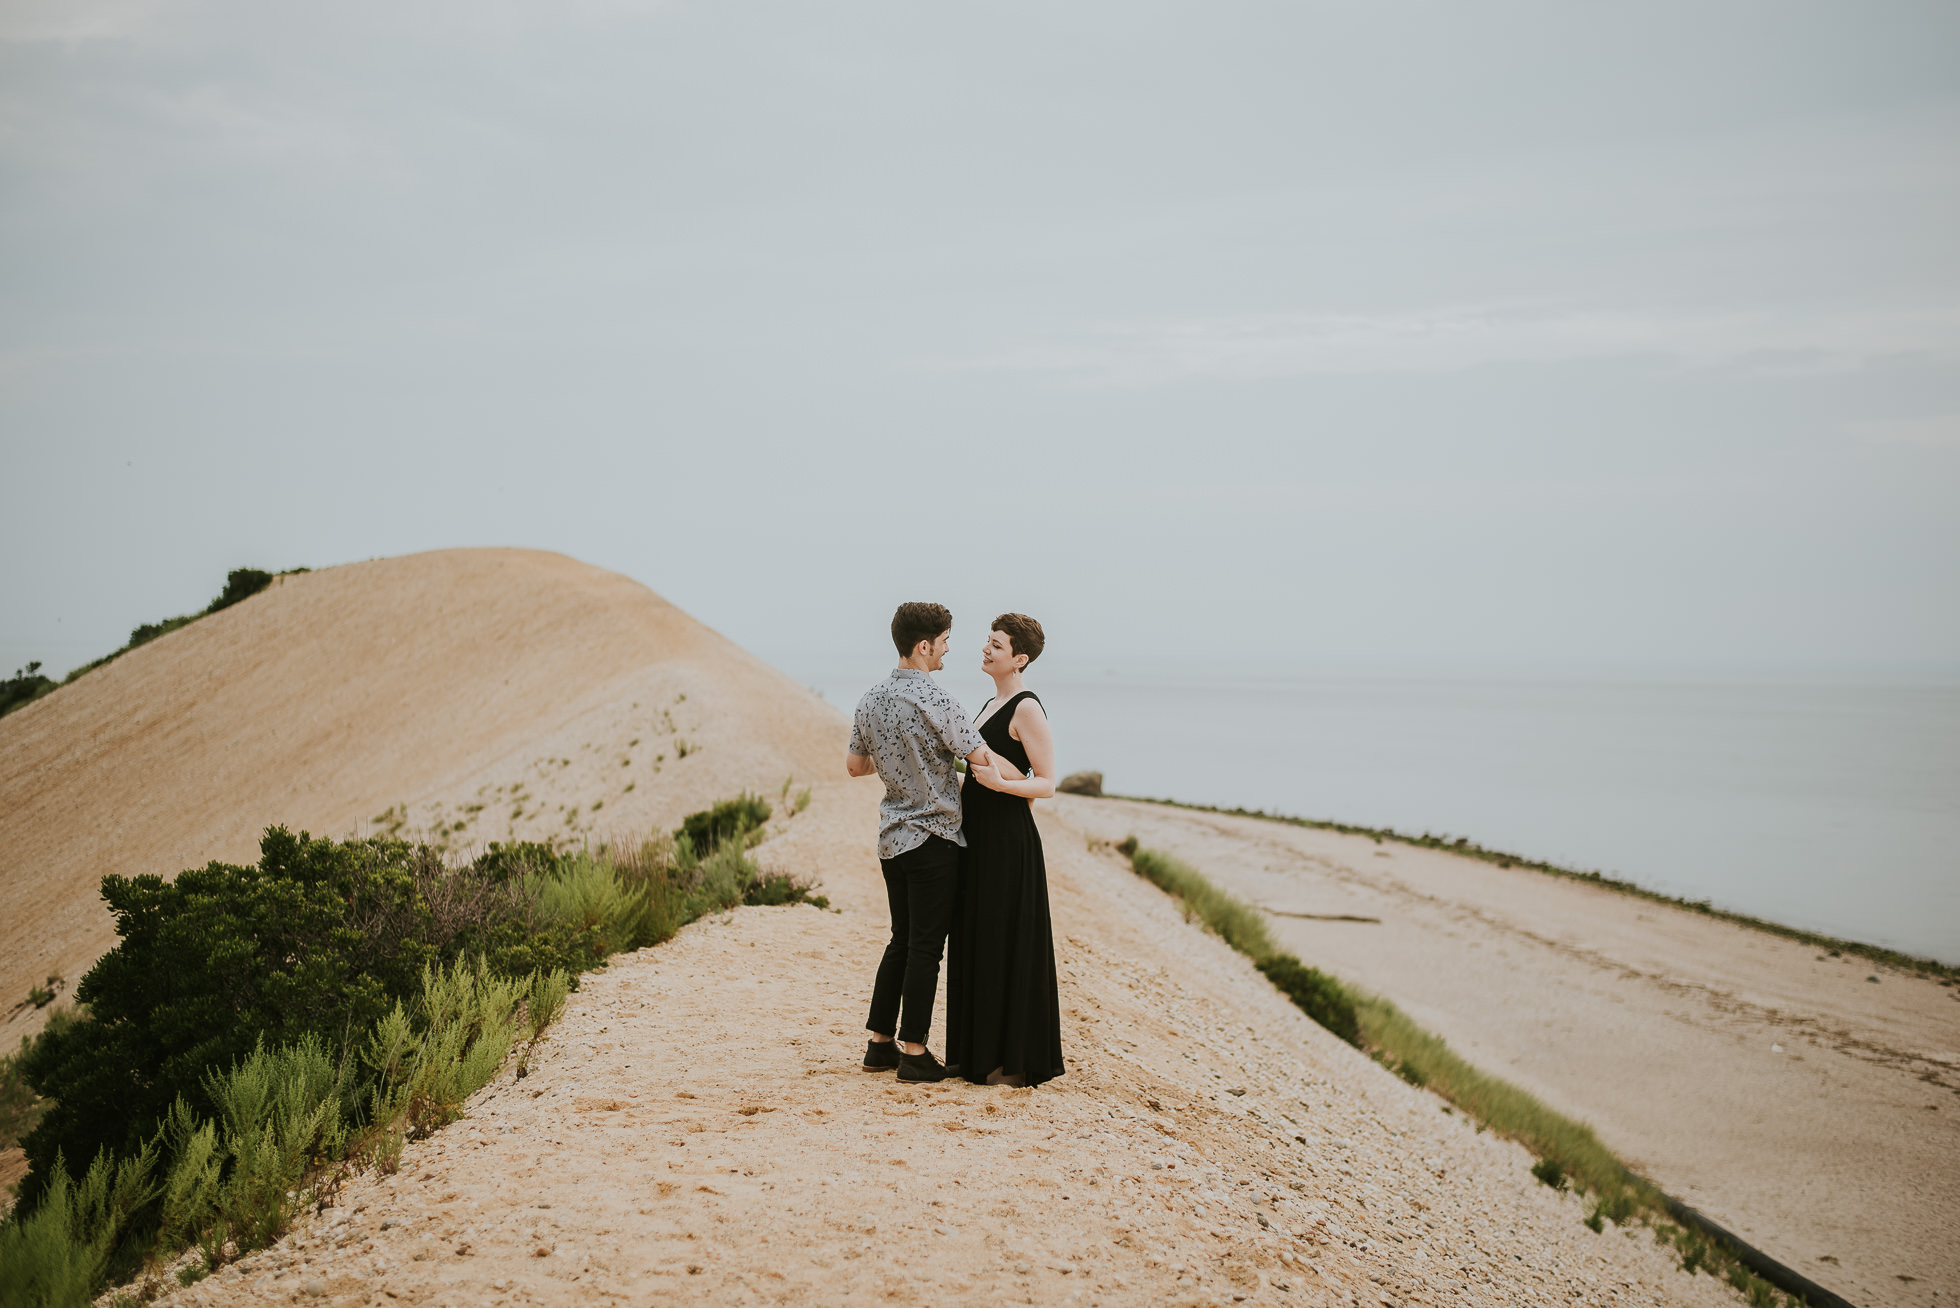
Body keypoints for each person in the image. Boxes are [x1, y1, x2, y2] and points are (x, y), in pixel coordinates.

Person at [846, 602, 993, 1084]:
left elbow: (855, 766)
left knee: (902, 939)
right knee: (927, 947)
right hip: (934, 836)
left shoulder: (870, 699)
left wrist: (897, 763)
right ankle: (913, 1051)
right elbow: (978, 756)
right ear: (924, 645)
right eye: (946, 640)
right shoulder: (938, 699)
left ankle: (879, 1045)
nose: (949, 649)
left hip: (892, 839)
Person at [945, 612, 1065, 1088]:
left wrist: (998, 782)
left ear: (1019, 659)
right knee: (977, 938)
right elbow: (984, 771)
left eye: (996, 645)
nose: (986, 649)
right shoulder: (988, 705)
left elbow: (1048, 783)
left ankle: (1005, 1063)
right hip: (976, 838)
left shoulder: (1026, 707)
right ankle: (976, 1057)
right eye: (987, 642)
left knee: (1001, 941)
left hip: (1008, 842)